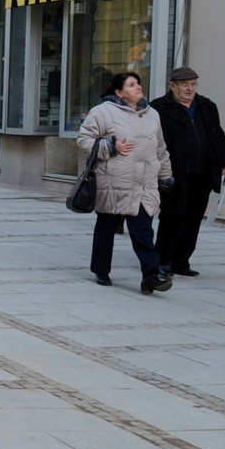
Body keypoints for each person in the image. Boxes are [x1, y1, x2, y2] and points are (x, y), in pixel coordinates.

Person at [77, 71, 174, 294]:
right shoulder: (102, 112)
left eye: (138, 83)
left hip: (144, 183)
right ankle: (101, 270)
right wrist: (111, 146)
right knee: (107, 226)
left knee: (143, 230)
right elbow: (83, 141)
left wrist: (166, 176)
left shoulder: (152, 114)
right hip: (115, 180)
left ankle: (151, 276)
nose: (138, 87)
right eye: (132, 85)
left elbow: (161, 148)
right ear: (119, 92)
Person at [150, 66, 225, 278]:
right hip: (173, 172)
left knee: (194, 217)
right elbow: (152, 141)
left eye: (193, 84)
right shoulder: (159, 108)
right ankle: (163, 259)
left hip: (203, 172)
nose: (190, 89)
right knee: (173, 215)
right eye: (184, 85)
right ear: (173, 86)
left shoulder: (207, 106)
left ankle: (182, 261)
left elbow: (218, 136)